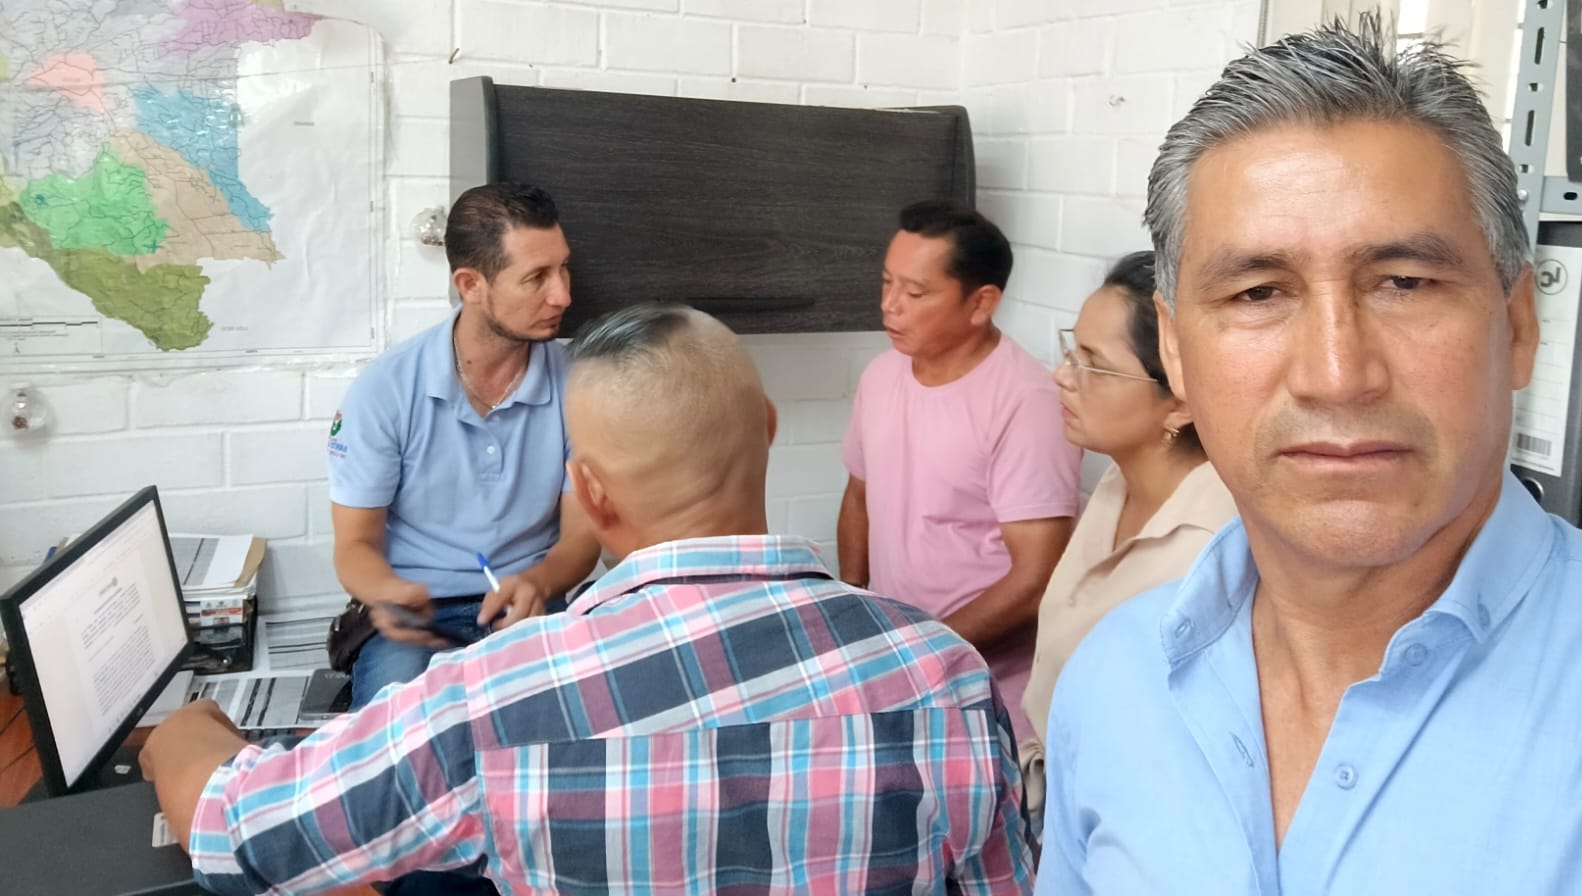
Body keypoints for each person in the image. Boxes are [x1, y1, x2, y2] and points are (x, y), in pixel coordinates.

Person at [140, 304, 1036, 895]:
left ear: (591, 493)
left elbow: (229, 834)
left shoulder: (497, 699)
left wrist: (186, 730)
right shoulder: (942, 671)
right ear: (767, 430)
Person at [1038, 16, 1582, 893]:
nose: (1337, 376)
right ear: (1177, 354)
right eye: (1259, 293)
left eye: (1405, 283)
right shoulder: (1114, 680)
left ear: (1519, 328)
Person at [326, 182, 599, 710]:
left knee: (563, 724)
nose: (563, 295)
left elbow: (581, 538)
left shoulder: (581, 385)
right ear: (471, 285)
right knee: (397, 734)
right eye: (537, 277)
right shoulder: (384, 390)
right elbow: (353, 545)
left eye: (563, 269)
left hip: (533, 602)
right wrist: (387, 592)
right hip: (419, 616)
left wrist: (539, 582)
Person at [838, 199, 1082, 743]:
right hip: (903, 668)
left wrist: (924, 652)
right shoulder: (881, 374)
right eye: (886, 283)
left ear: (981, 303)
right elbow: (858, 495)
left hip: (987, 691)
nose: (890, 306)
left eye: (915, 293)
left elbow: (1035, 578)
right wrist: (852, 608)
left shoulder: (1027, 401)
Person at [1017, 251, 1235, 797]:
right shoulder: (1119, 481)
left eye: (1093, 364)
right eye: (1072, 351)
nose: (1062, 376)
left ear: (1181, 402)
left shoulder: (1211, 548)